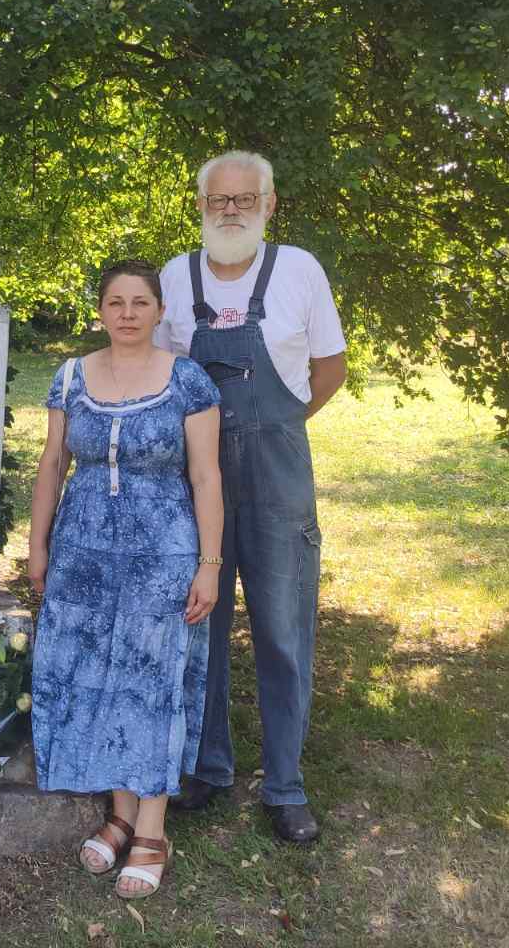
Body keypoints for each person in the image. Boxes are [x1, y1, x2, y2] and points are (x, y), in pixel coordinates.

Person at [156, 150, 347, 845]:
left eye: (244, 199)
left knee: (282, 629)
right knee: (198, 622)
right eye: (218, 200)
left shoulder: (299, 271)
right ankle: (207, 767)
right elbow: (157, 372)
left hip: (277, 476)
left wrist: (280, 426)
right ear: (202, 207)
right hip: (195, 477)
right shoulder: (175, 278)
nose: (230, 210)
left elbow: (331, 368)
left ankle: (285, 786)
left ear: (268, 204)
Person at [29, 260, 224, 899]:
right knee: (102, 678)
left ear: (159, 310)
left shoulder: (187, 381)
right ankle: (119, 814)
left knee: (153, 681)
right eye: (116, 302)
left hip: (162, 553)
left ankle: (152, 828)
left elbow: (205, 478)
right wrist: (38, 547)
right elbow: (54, 463)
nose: (128, 313)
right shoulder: (71, 376)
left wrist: (209, 563)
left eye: (141, 302)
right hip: (83, 552)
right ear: (101, 310)